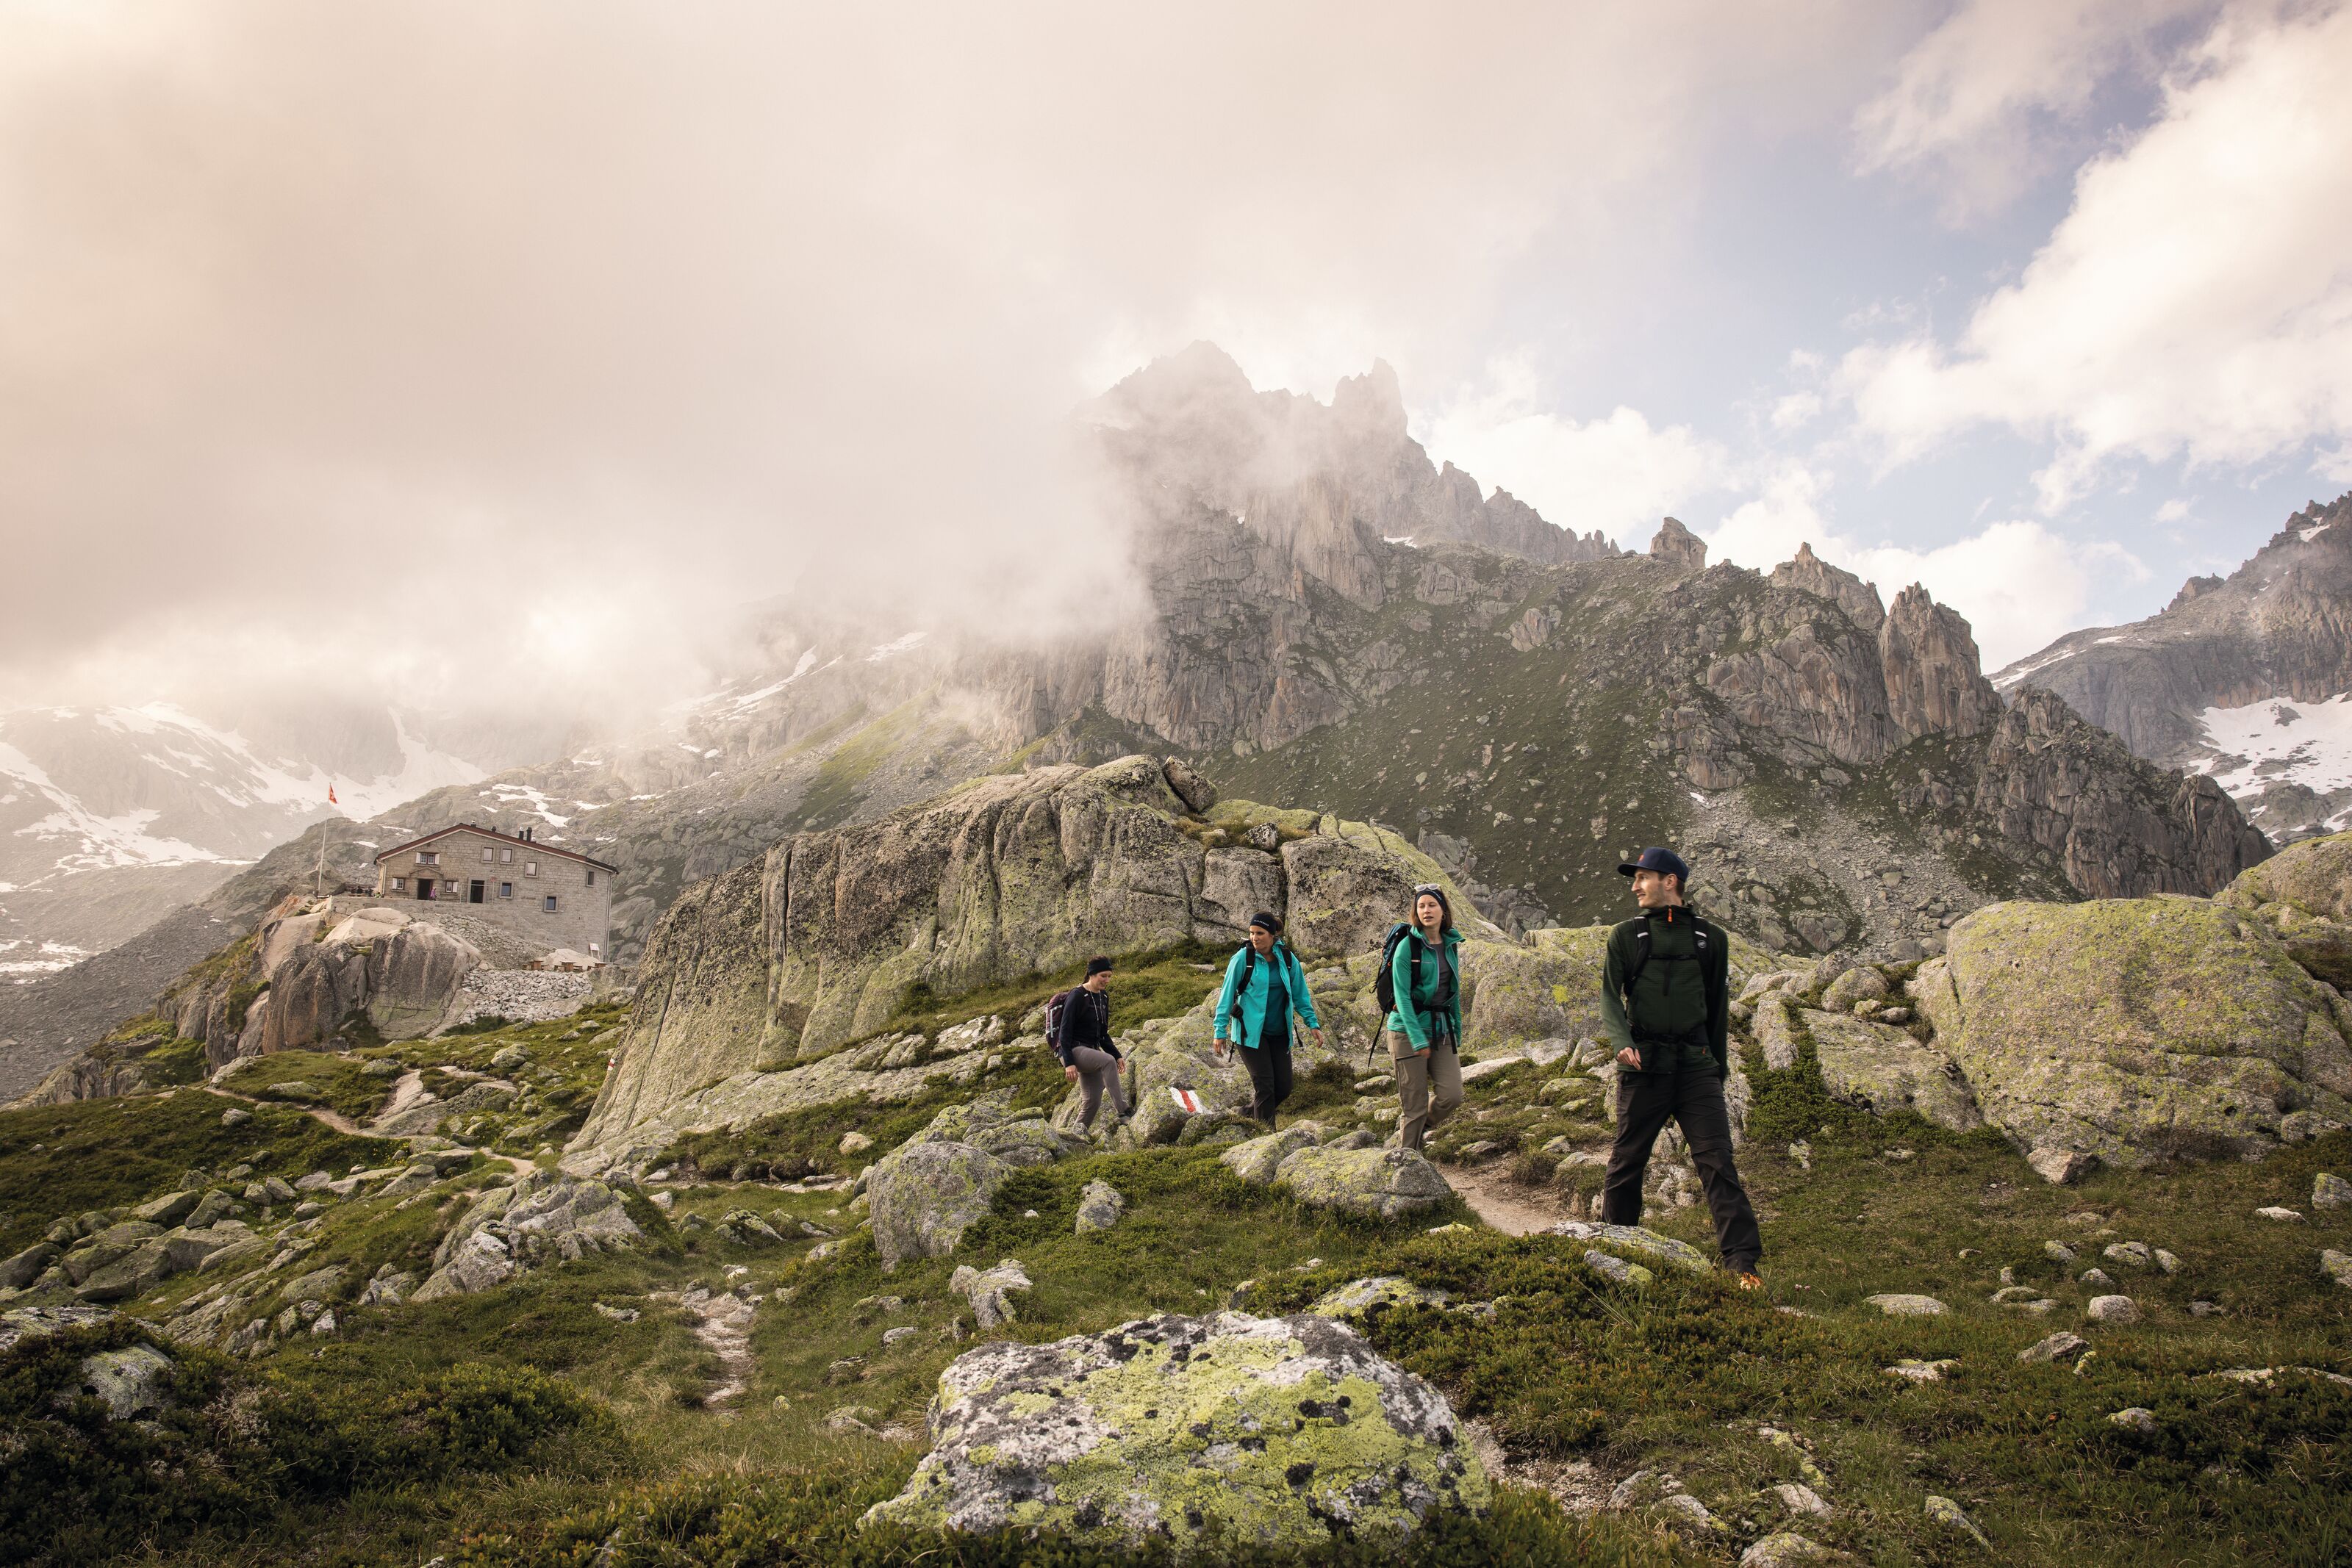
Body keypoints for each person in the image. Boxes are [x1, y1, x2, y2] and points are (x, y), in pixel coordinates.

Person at [1599, 846, 1763, 1288]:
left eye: (1643, 878)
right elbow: (1610, 998)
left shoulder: (1712, 939)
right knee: (1628, 1160)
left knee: (1717, 1162)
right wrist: (1622, 1043)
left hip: (1695, 1068)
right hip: (1644, 1065)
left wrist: (1717, 1067)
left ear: (1670, 881)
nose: (1635, 887)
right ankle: (1616, 1247)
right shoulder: (1624, 937)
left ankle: (1742, 1264)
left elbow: (1718, 1007)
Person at [1213, 913, 1324, 1124]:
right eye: (1252, 933)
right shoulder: (1242, 960)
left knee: (1283, 1088)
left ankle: (1247, 1113)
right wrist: (1220, 1031)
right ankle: (1265, 1138)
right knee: (1265, 1087)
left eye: (1260, 933)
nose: (1255, 938)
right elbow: (1226, 997)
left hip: (1280, 1032)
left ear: (1273, 935)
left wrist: (1313, 1024)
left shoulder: (1289, 960)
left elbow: (1301, 995)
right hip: (1250, 1034)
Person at [1385, 882, 1465, 1151]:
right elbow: (1402, 997)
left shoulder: (1451, 944)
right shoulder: (1407, 947)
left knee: (1452, 1096)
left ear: (1443, 910)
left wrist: (1458, 1030)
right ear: (1415, 912)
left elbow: (1452, 992)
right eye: (1421, 906)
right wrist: (1418, 1038)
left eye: (1432, 905)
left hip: (1442, 1031)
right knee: (1414, 1106)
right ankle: (1407, 1164)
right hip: (1407, 1033)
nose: (1426, 911)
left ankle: (1421, 1130)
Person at [1055, 956, 1127, 1133]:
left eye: (1109, 976)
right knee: (1107, 1061)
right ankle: (1124, 1111)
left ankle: (1075, 1137)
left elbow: (1103, 1034)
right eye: (1103, 976)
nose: (1107, 980)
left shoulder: (1103, 997)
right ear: (1092, 974)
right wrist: (1070, 1062)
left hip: (1091, 1052)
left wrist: (1118, 1054)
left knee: (1092, 1102)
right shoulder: (1078, 995)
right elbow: (1064, 1031)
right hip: (1073, 1051)